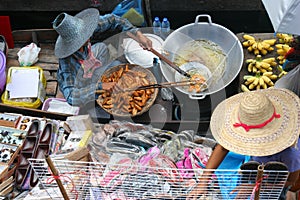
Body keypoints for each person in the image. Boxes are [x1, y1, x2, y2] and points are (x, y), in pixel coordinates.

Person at [188, 88, 300, 200]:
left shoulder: (291, 154)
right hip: (255, 170)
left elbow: (291, 181)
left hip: (273, 185)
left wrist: (256, 186)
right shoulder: (242, 128)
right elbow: (222, 148)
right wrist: (203, 182)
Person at [52, 8, 152, 117]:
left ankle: (96, 73)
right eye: (84, 38)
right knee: (100, 113)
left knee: (104, 49)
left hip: (89, 62)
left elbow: (115, 20)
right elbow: (71, 97)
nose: (88, 36)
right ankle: (94, 84)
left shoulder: (86, 28)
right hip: (80, 80)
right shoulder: (67, 62)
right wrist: (102, 86)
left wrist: (138, 34)